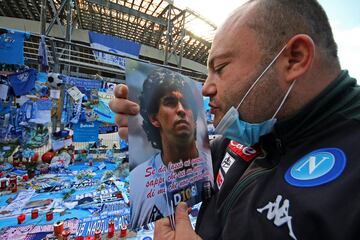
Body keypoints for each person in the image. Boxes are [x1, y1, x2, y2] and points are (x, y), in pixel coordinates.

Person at [109, 0, 360, 239]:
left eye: (220, 68)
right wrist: (144, 126)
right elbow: (192, 162)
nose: (205, 88)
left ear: (294, 58)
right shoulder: (258, 128)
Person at [127, 67, 212, 230]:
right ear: (154, 118)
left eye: (186, 104)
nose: (181, 110)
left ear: (194, 117)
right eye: (170, 102)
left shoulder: (212, 163)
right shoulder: (139, 183)